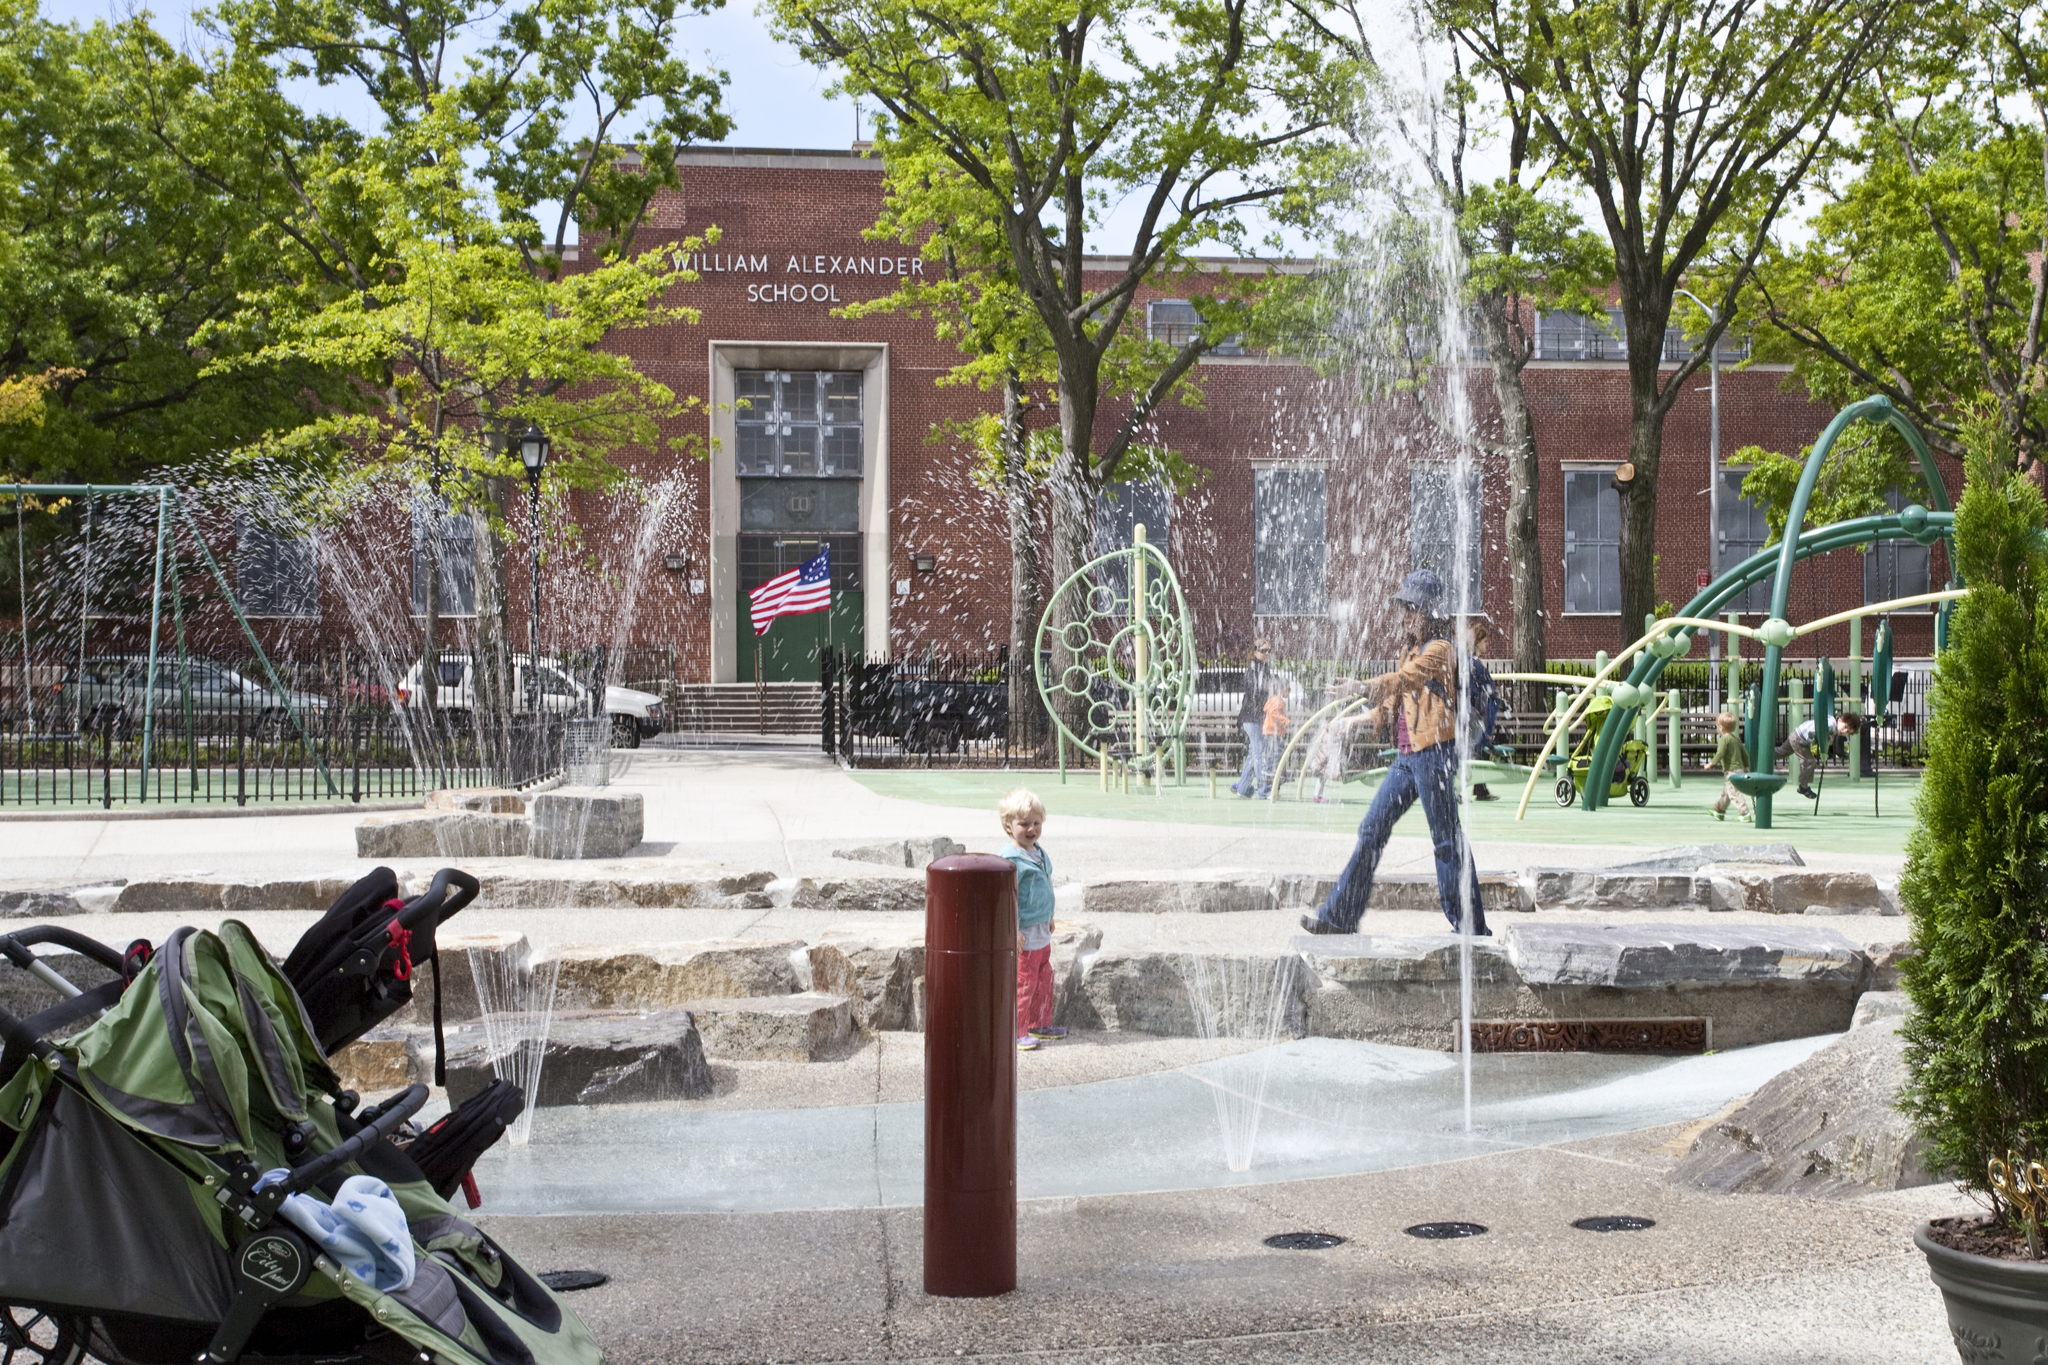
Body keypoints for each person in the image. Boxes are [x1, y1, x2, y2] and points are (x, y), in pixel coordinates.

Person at [1300, 569, 1490, 937]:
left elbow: (1408, 679)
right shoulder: (1409, 649)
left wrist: (1361, 685)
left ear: (1430, 612)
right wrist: (1357, 721)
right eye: (1405, 608)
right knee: (1372, 829)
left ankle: (1470, 927)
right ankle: (1339, 916)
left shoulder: (1440, 649)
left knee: (1446, 840)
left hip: (1434, 753)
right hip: (1408, 758)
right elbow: (1392, 701)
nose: (1406, 615)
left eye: (1413, 608)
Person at [998, 787, 1064, 1052]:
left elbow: (1044, 886)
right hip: (1023, 932)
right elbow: (1006, 899)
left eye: (1036, 823)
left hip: (1040, 930)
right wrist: (1012, 930)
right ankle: (1017, 1030)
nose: (1031, 829)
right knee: (1024, 982)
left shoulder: (1038, 852)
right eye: (1024, 823)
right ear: (1008, 825)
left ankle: (1039, 1023)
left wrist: (1048, 917)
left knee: (1044, 977)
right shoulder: (1010, 860)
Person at [1775, 711, 1863, 800]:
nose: (1844, 731)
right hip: (1800, 739)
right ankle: (1803, 786)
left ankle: (1763, 753)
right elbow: (1816, 731)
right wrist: (1826, 737)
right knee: (1809, 762)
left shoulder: (1831, 723)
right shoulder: (1831, 725)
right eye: (1845, 727)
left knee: (1781, 752)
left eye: (1847, 731)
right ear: (1840, 720)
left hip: (1797, 733)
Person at [1231, 639, 1276, 798]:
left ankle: (1242, 789)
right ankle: (1265, 791)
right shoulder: (1253, 670)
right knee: (1259, 752)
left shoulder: (1265, 669)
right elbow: (1255, 690)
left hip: (1258, 717)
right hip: (1251, 717)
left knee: (1253, 754)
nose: (1267, 654)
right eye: (1263, 651)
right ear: (1255, 652)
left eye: (1269, 650)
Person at [1709, 711, 1752, 822]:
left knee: (1734, 792)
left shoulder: (1724, 740)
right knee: (1727, 791)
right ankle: (1719, 810)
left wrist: (1711, 763)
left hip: (1731, 770)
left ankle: (1744, 813)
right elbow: (1745, 754)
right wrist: (1746, 766)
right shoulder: (1736, 739)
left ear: (1721, 727)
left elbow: (1720, 753)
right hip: (1739, 769)